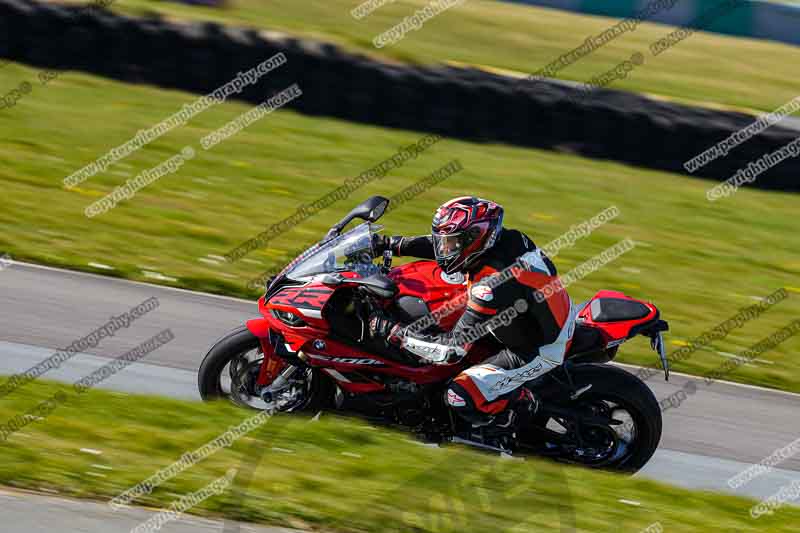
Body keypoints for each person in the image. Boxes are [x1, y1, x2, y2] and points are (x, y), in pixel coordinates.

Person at [369, 196, 576, 428]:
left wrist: (396, 333)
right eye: (444, 242)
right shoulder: (506, 239)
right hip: (521, 319)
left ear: (474, 239)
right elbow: (441, 248)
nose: (443, 249)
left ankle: (517, 408)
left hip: (537, 349)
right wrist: (389, 244)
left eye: (451, 243)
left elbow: (452, 350)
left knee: (458, 396)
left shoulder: (491, 285)